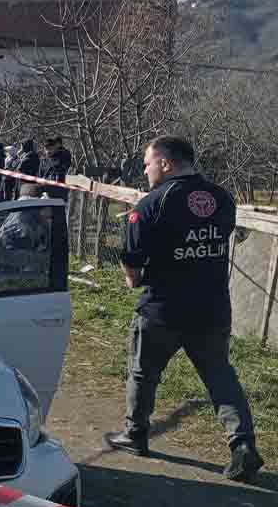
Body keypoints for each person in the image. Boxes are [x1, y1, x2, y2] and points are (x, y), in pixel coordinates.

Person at [103, 136, 262, 482]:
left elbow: (132, 272)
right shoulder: (223, 199)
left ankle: (135, 434)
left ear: (165, 163)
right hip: (212, 309)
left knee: (144, 373)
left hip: (162, 310)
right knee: (220, 377)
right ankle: (243, 445)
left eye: (147, 163)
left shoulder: (148, 206)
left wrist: (142, 275)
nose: (144, 170)